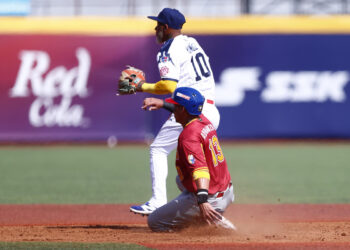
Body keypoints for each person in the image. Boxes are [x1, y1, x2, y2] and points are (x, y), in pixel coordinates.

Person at [129, 8, 220, 215]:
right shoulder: (192, 43)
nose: (155, 28)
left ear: (166, 27)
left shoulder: (167, 49)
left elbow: (169, 86)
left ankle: (158, 202)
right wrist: (164, 104)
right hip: (211, 110)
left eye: (158, 25)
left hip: (192, 111)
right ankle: (210, 209)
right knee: (189, 171)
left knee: (158, 150)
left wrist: (141, 86)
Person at [141, 87, 235, 232]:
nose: (174, 109)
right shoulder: (202, 119)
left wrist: (202, 201)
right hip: (226, 189)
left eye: (176, 106)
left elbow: (200, 170)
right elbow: (182, 110)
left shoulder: (189, 136)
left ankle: (212, 220)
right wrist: (163, 104)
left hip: (211, 198)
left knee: (155, 221)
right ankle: (200, 211)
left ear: (183, 110)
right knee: (180, 179)